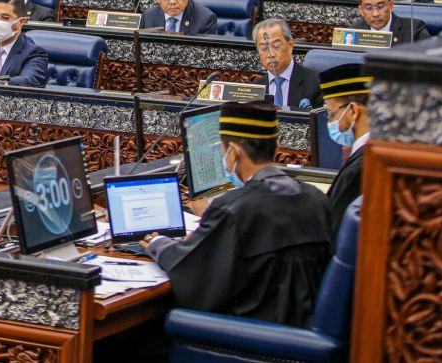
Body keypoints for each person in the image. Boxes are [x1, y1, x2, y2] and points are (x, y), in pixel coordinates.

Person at [141, 101, 333, 327]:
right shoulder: (316, 199)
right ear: (277, 146)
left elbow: (194, 277)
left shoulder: (233, 209)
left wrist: (158, 244)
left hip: (253, 339)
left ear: (233, 152)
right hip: (307, 334)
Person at [320, 63, 373, 239]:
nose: (329, 121)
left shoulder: (360, 168)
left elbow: (332, 234)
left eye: (330, 113)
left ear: (353, 111)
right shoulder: (381, 151)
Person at [252, 18, 322, 109]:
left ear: (290, 45)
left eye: (276, 47)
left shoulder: (316, 82)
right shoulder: (256, 89)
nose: (270, 54)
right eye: (264, 49)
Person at [349, 0, 430, 45]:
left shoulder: (413, 30)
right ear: (361, 10)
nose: (375, 14)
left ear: (391, 5)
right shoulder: (352, 32)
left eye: (380, 6)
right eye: (369, 8)